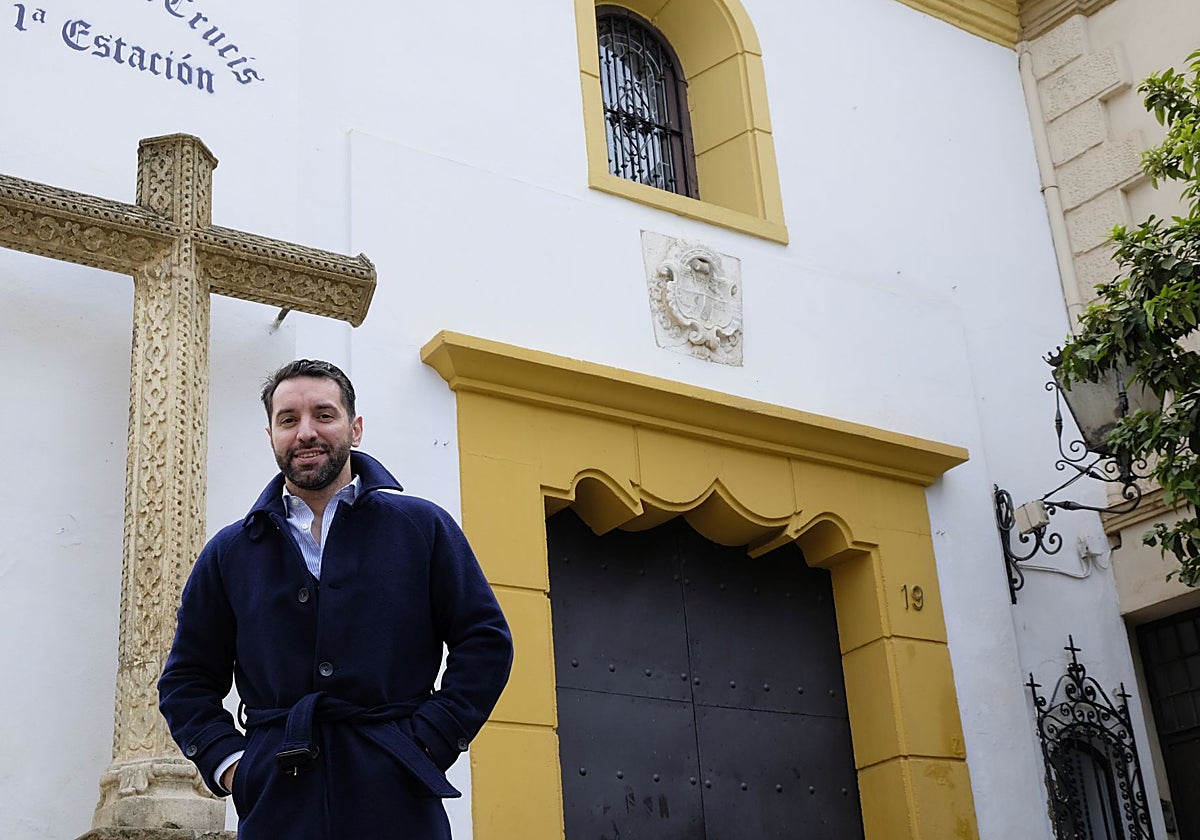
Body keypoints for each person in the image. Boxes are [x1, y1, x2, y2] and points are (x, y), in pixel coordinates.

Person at [159, 359, 513, 839]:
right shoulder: (230, 553)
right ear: (271, 435)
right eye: (288, 420)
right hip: (276, 801)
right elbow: (187, 679)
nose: (306, 432)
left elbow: (485, 641)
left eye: (324, 415)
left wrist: (431, 739)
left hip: (400, 792)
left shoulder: (421, 528)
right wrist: (235, 766)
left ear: (355, 427)